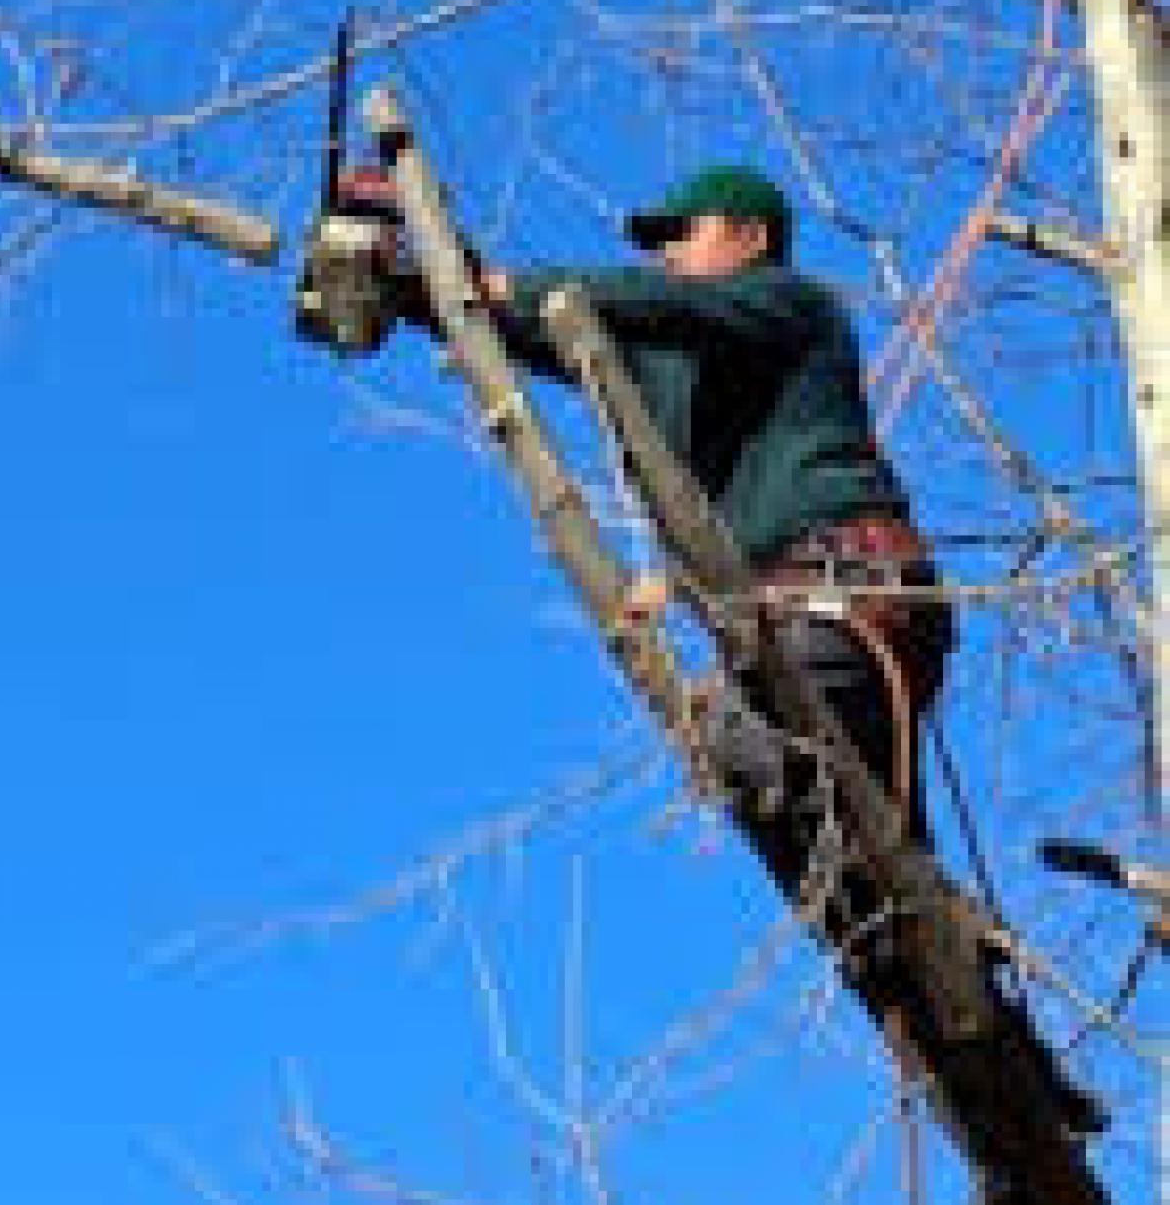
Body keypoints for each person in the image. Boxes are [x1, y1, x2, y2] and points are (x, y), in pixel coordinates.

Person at [396, 164, 954, 846]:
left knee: (749, 751)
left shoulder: (789, 304)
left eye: (682, 234)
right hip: (788, 619)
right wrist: (419, 285)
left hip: (851, 590)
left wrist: (512, 286)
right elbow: (539, 325)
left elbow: (651, 302)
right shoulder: (672, 360)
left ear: (750, 238)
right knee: (843, 863)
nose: (666, 254)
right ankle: (902, 944)